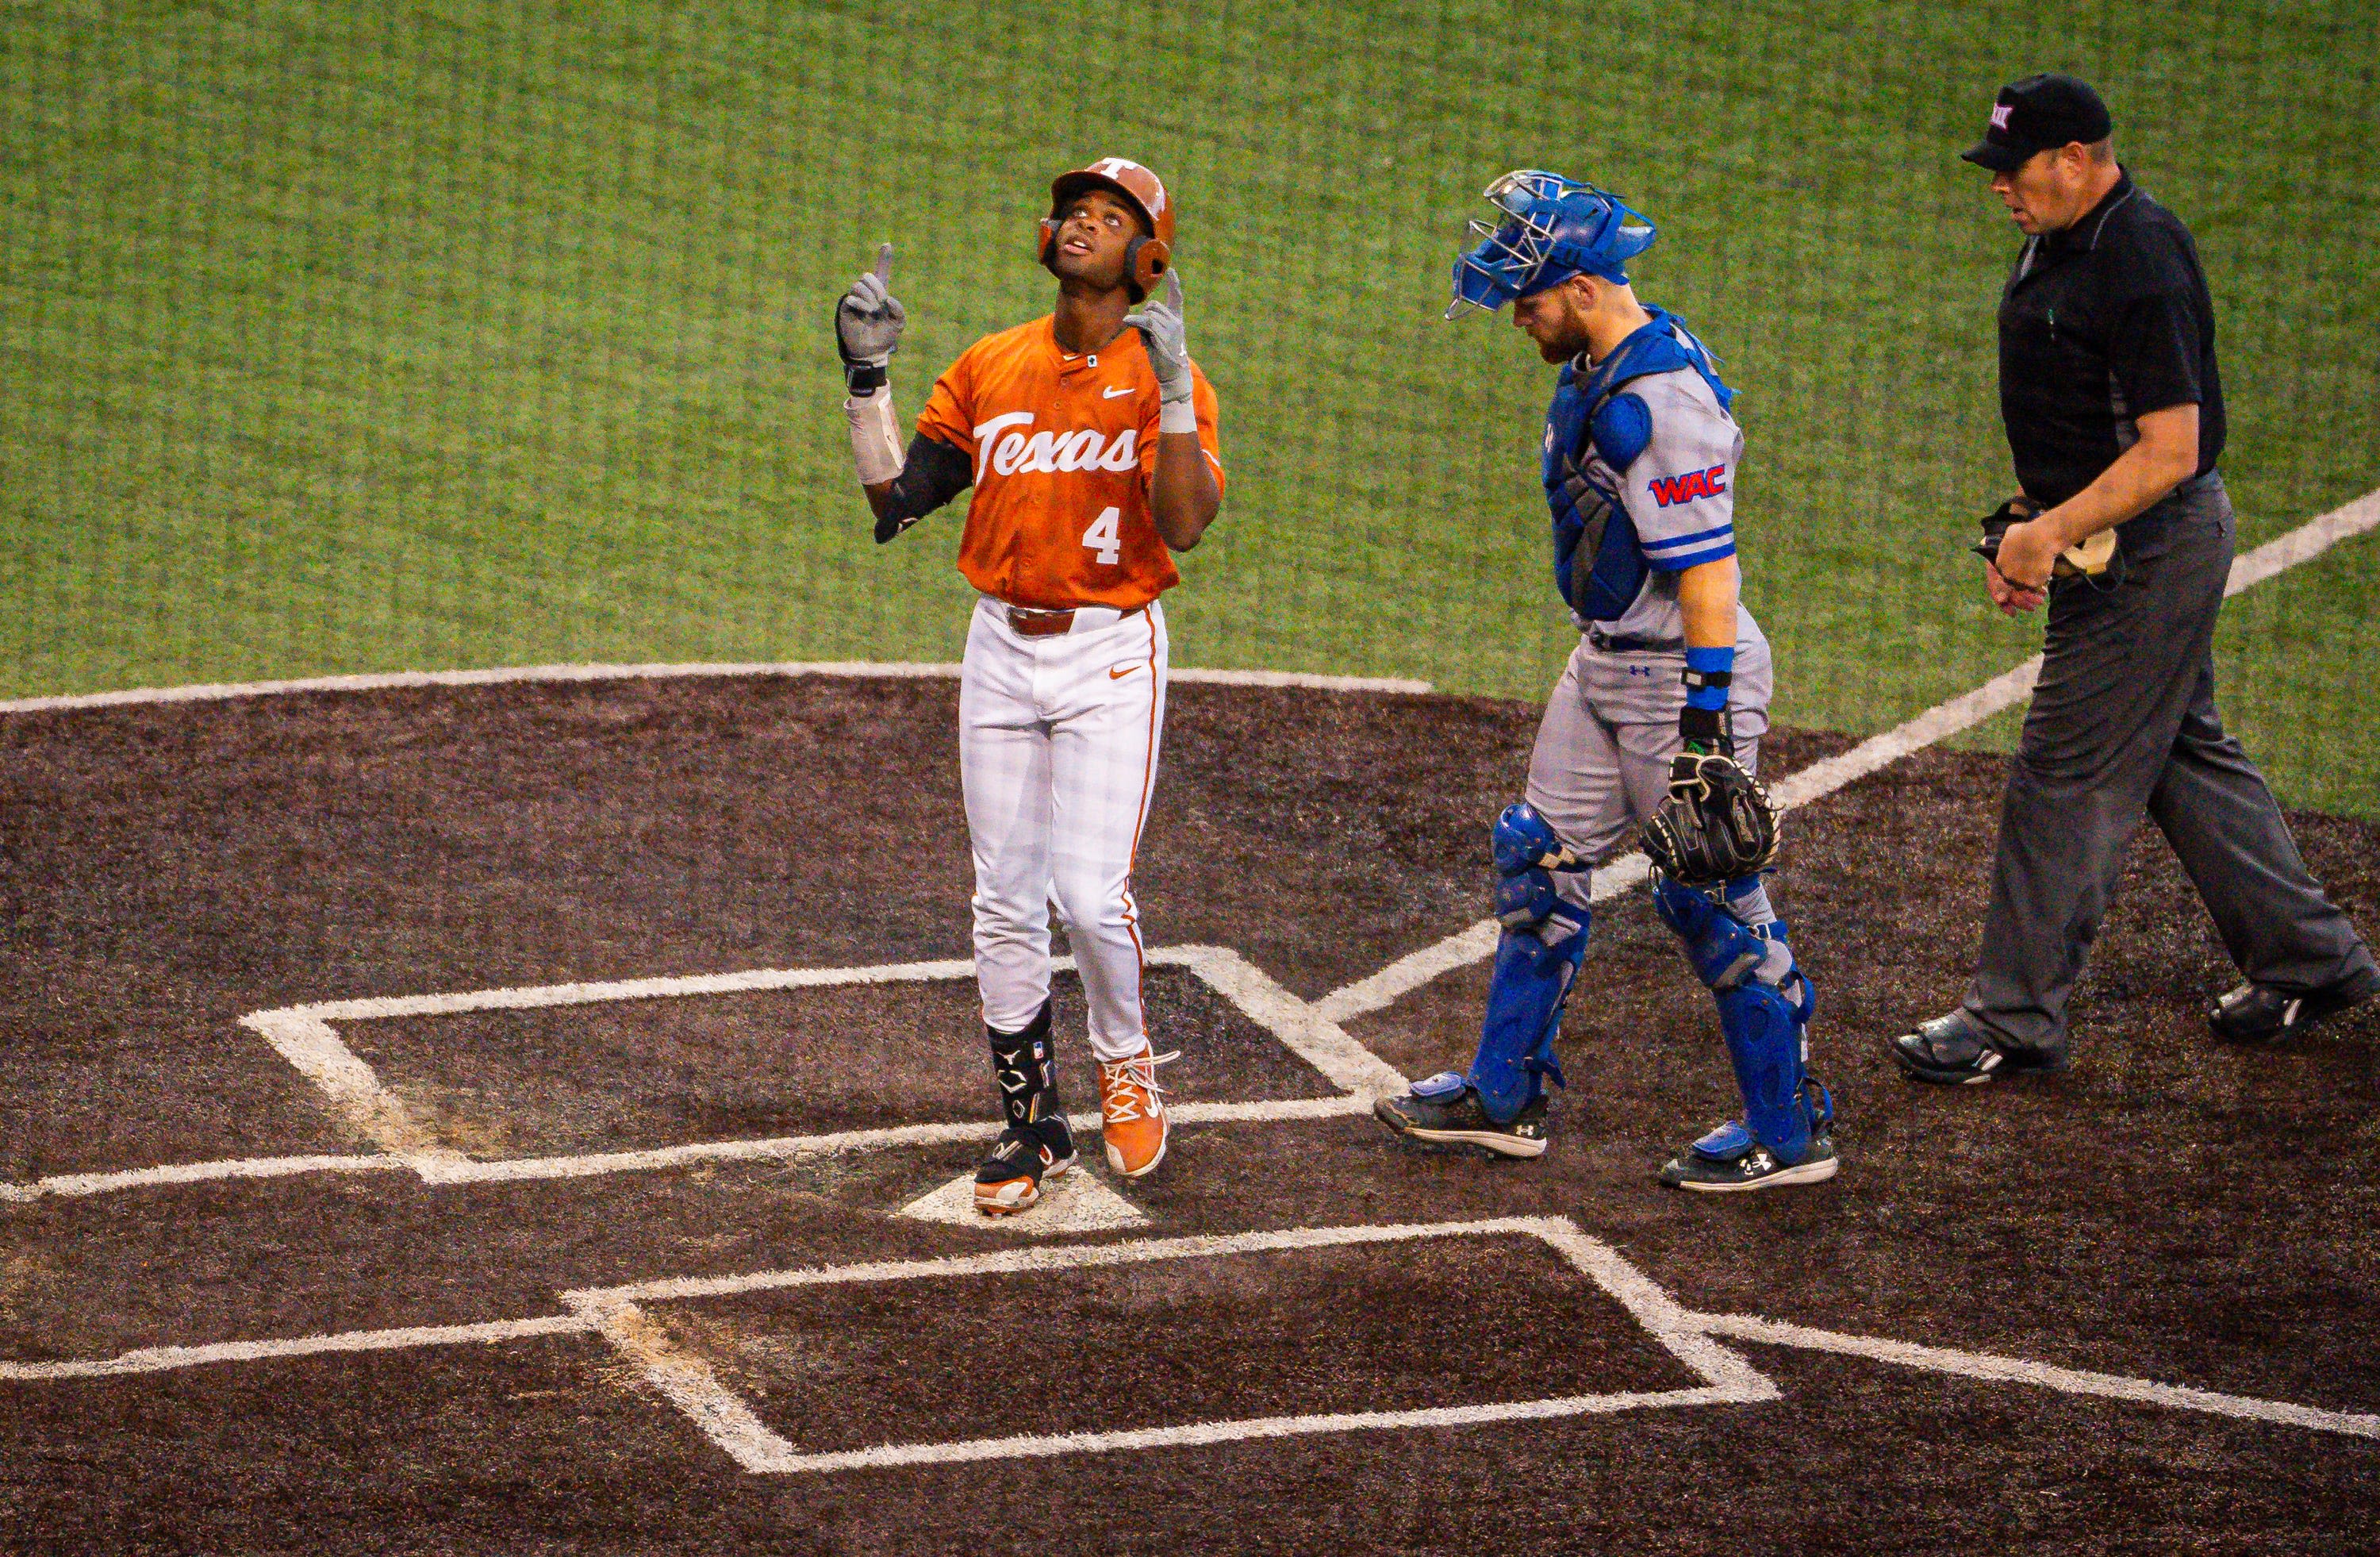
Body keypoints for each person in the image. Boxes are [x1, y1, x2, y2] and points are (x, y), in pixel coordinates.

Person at [1892, 75, 2377, 1084]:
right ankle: (2312, 958)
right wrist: (2030, 524)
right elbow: (2069, 402)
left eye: (2014, 171)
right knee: (2179, 753)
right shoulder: (2062, 235)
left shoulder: (2141, 257)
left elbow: (2172, 446)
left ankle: (2013, 1017)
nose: (2000, 191)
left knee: (2064, 773)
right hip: (2104, 539)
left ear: (2076, 158)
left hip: (2151, 548)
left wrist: (2058, 527)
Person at [1374, 171, 1836, 1192]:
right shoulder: (1602, 361)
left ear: (1584, 287)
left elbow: (1709, 574)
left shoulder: (1656, 402)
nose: (1516, 319)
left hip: (1680, 676)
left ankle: (1790, 1131)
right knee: (1537, 858)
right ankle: (1505, 1096)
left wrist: (1708, 732)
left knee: (1709, 899)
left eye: (1527, 298)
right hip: (1606, 660)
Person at [832, 158, 1224, 1212]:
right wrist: (866, 381)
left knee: (1092, 899)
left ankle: (1127, 1056)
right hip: (1000, 648)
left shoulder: (1160, 376)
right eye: (1074, 213)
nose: (1081, 226)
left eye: (1111, 218)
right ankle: (1031, 1125)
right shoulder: (992, 365)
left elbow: (1185, 521)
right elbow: (897, 499)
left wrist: (1180, 394)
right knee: (1003, 902)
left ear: (1147, 258)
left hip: (1108, 651)